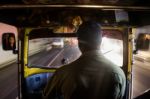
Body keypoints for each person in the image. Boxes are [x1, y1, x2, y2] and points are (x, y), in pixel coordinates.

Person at [43, 21, 126, 99]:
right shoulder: (118, 73)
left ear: (79, 43)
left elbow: (46, 96)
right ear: (100, 42)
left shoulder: (63, 73)